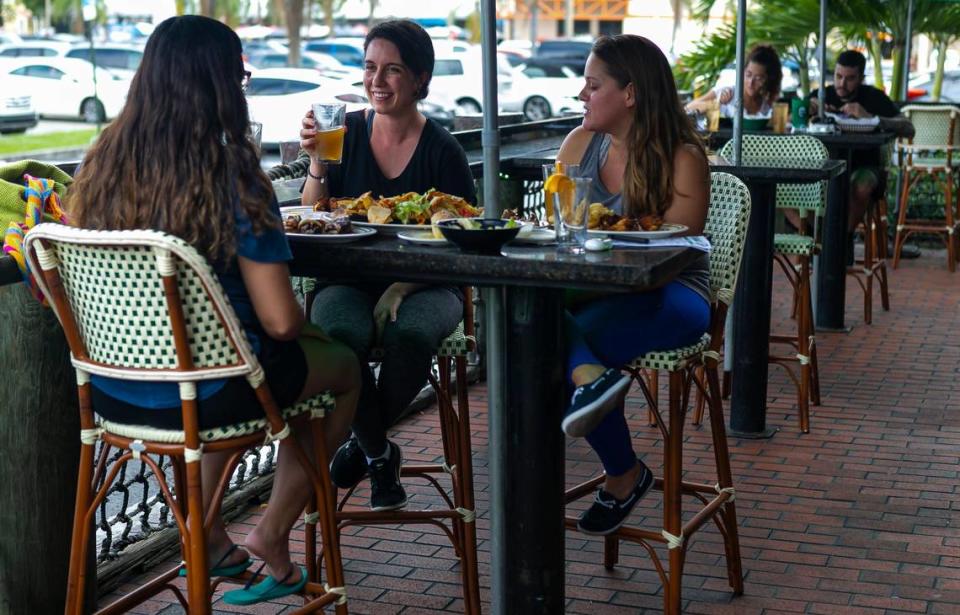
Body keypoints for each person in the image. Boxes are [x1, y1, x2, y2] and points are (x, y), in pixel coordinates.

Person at [66, 15, 361, 606]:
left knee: (288, 363)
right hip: (215, 392)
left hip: (113, 393)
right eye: (241, 76)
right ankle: (272, 536)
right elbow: (279, 321)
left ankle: (208, 538)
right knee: (345, 369)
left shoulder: (98, 169)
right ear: (222, 85)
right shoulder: (232, 174)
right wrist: (314, 331)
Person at [299, 19, 477, 512]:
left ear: (420, 78)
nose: (377, 80)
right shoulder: (345, 131)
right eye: (370, 67)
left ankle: (360, 442)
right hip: (347, 279)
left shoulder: (443, 150)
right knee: (340, 340)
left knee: (410, 337)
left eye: (393, 69)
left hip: (430, 282)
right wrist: (317, 163)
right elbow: (316, 214)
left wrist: (403, 285)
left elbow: (464, 241)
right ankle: (380, 453)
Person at [554, 34, 711, 535]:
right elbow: (559, 227)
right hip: (599, 290)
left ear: (631, 93)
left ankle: (622, 471)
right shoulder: (579, 145)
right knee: (530, 319)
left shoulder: (681, 156)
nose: (582, 94)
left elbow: (675, 246)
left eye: (593, 84)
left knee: (566, 342)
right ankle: (601, 412)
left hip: (673, 296)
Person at [808, 49, 915, 233]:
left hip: (865, 166)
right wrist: (810, 111)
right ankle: (823, 238)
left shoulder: (873, 97)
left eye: (850, 78)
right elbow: (791, 119)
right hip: (824, 165)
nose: (842, 83)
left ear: (861, 78)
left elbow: (909, 128)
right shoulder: (821, 95)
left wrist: (871, 117)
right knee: (788, 185)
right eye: (838, 76)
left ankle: (841, 240)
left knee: (861, 185)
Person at [686, 44, 782, 118]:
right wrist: (717, 103)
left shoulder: (765, 105)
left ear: (768, 79)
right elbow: (688, 109)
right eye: (748, 75)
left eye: (758, 78)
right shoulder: (728, 92)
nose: (751, 82)